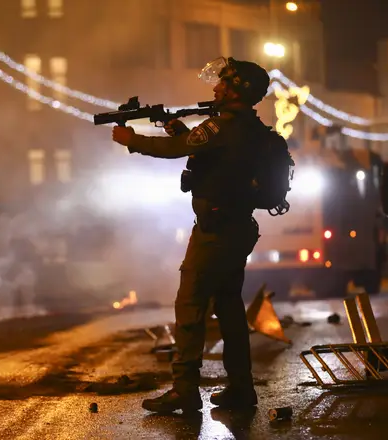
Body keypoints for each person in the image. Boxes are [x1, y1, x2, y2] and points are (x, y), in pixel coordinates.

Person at [111, 57, 275, 413]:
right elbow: (204, 150)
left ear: (236, 91)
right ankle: (241, 389)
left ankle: (184, 389)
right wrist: (180, 129)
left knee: (190, 306)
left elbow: (176, 150)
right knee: (229, 310)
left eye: (223, 84)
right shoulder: (249, 128)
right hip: (237, 228)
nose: (215, 88)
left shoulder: (223, 125)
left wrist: (132, 139)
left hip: (214, 232)